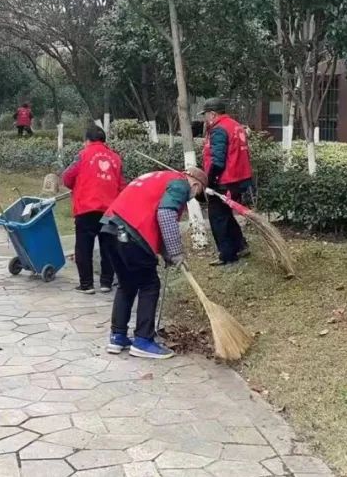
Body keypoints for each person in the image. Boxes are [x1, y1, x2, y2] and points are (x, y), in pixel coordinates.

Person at [101, 167, 208, 360]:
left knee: (127, 284)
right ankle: (143, 340)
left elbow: (153, 214)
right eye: (197, 193)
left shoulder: (157, 177)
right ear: (195, 183)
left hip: (110, 228)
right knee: (150, 285)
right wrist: (176, 252)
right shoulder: (180, 183)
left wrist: (166, 253)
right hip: (133, 233)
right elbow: (166, 214)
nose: (192, 197)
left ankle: (117, 337)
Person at [62, 125, 124, 294]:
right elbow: (121, 185)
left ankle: (86, 284)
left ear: (87, 140)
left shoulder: (82, 155)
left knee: (84, 247)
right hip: (110, 210)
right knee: (108, 247)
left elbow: (67, 177)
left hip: (86, 208)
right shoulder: (116, 159)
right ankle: (106, 283)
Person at [200, 98, 254, 266]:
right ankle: (240, 245)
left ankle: (227, 255)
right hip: (240, 178)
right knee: (225, 214)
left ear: (213, 114)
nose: (205, 118)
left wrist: (210, 182)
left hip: (226, 179)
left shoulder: (219, 129)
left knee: (217, 217)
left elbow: (217, 160)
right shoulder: (235, 125)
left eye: (206, 115)